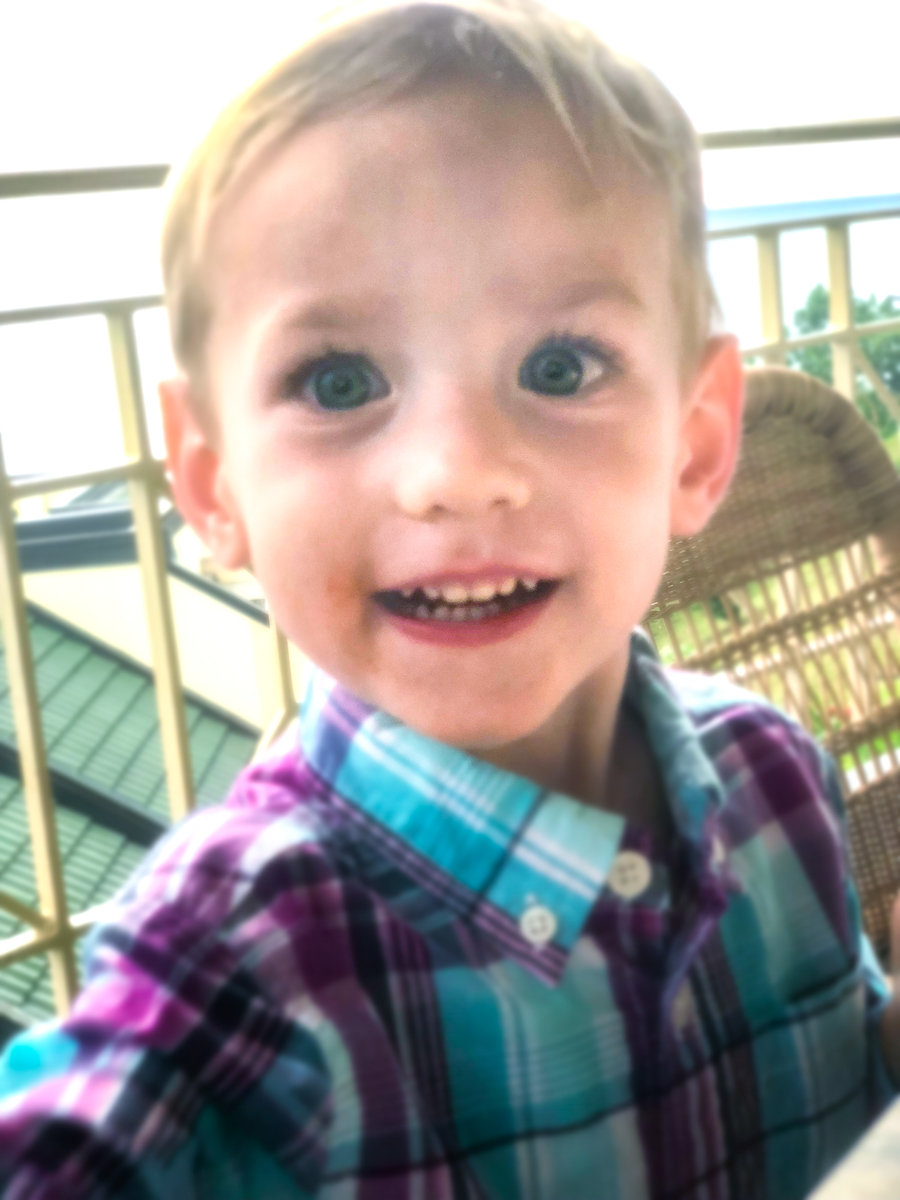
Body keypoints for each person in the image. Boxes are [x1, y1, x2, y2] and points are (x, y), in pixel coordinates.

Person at [1, 2, 898, 1196]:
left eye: (559, 367)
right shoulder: (229, 970)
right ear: (213, 483)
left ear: (693, 445)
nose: (455, 471)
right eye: (338, 381)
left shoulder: (775, 773)